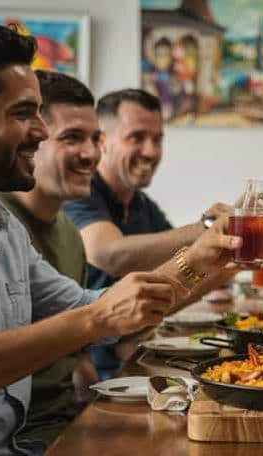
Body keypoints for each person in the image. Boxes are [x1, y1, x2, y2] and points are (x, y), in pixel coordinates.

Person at [0, 23, 239, 455]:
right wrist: (98, 319)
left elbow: (94, 312)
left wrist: (200, 258)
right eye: (23, 113)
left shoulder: (0, 223)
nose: (40, 131)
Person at [63, 88, 232, 378]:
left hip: (129, 359)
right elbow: (109, 254)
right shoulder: (79, 193)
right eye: (136, 137)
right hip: (92, 371)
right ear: (102, 142)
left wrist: (231, 262)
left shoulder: (142, 205)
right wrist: (205, 228)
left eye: (157, 139)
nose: (151, 151)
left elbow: (178, 281)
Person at [0, 69, 102, 446]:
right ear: (33, 139)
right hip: (19, 436)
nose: (90, 154)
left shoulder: (71, 235)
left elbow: (80, 361)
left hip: (65, 422)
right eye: (72, 138)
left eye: (95, 138)